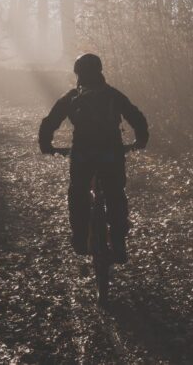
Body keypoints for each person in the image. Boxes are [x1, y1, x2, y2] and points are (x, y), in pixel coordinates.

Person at [39, 53, 149, 263]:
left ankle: (80, 238)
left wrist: (47, 146)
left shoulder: (72, 96)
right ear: (100, 71)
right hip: (112, 154)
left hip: (83, 155)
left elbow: (50, 121)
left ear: (77, 74)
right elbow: (137, 117)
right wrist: (140, 141)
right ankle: (118, 241)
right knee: (115, 193)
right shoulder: (113, 94)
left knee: (77, 193)